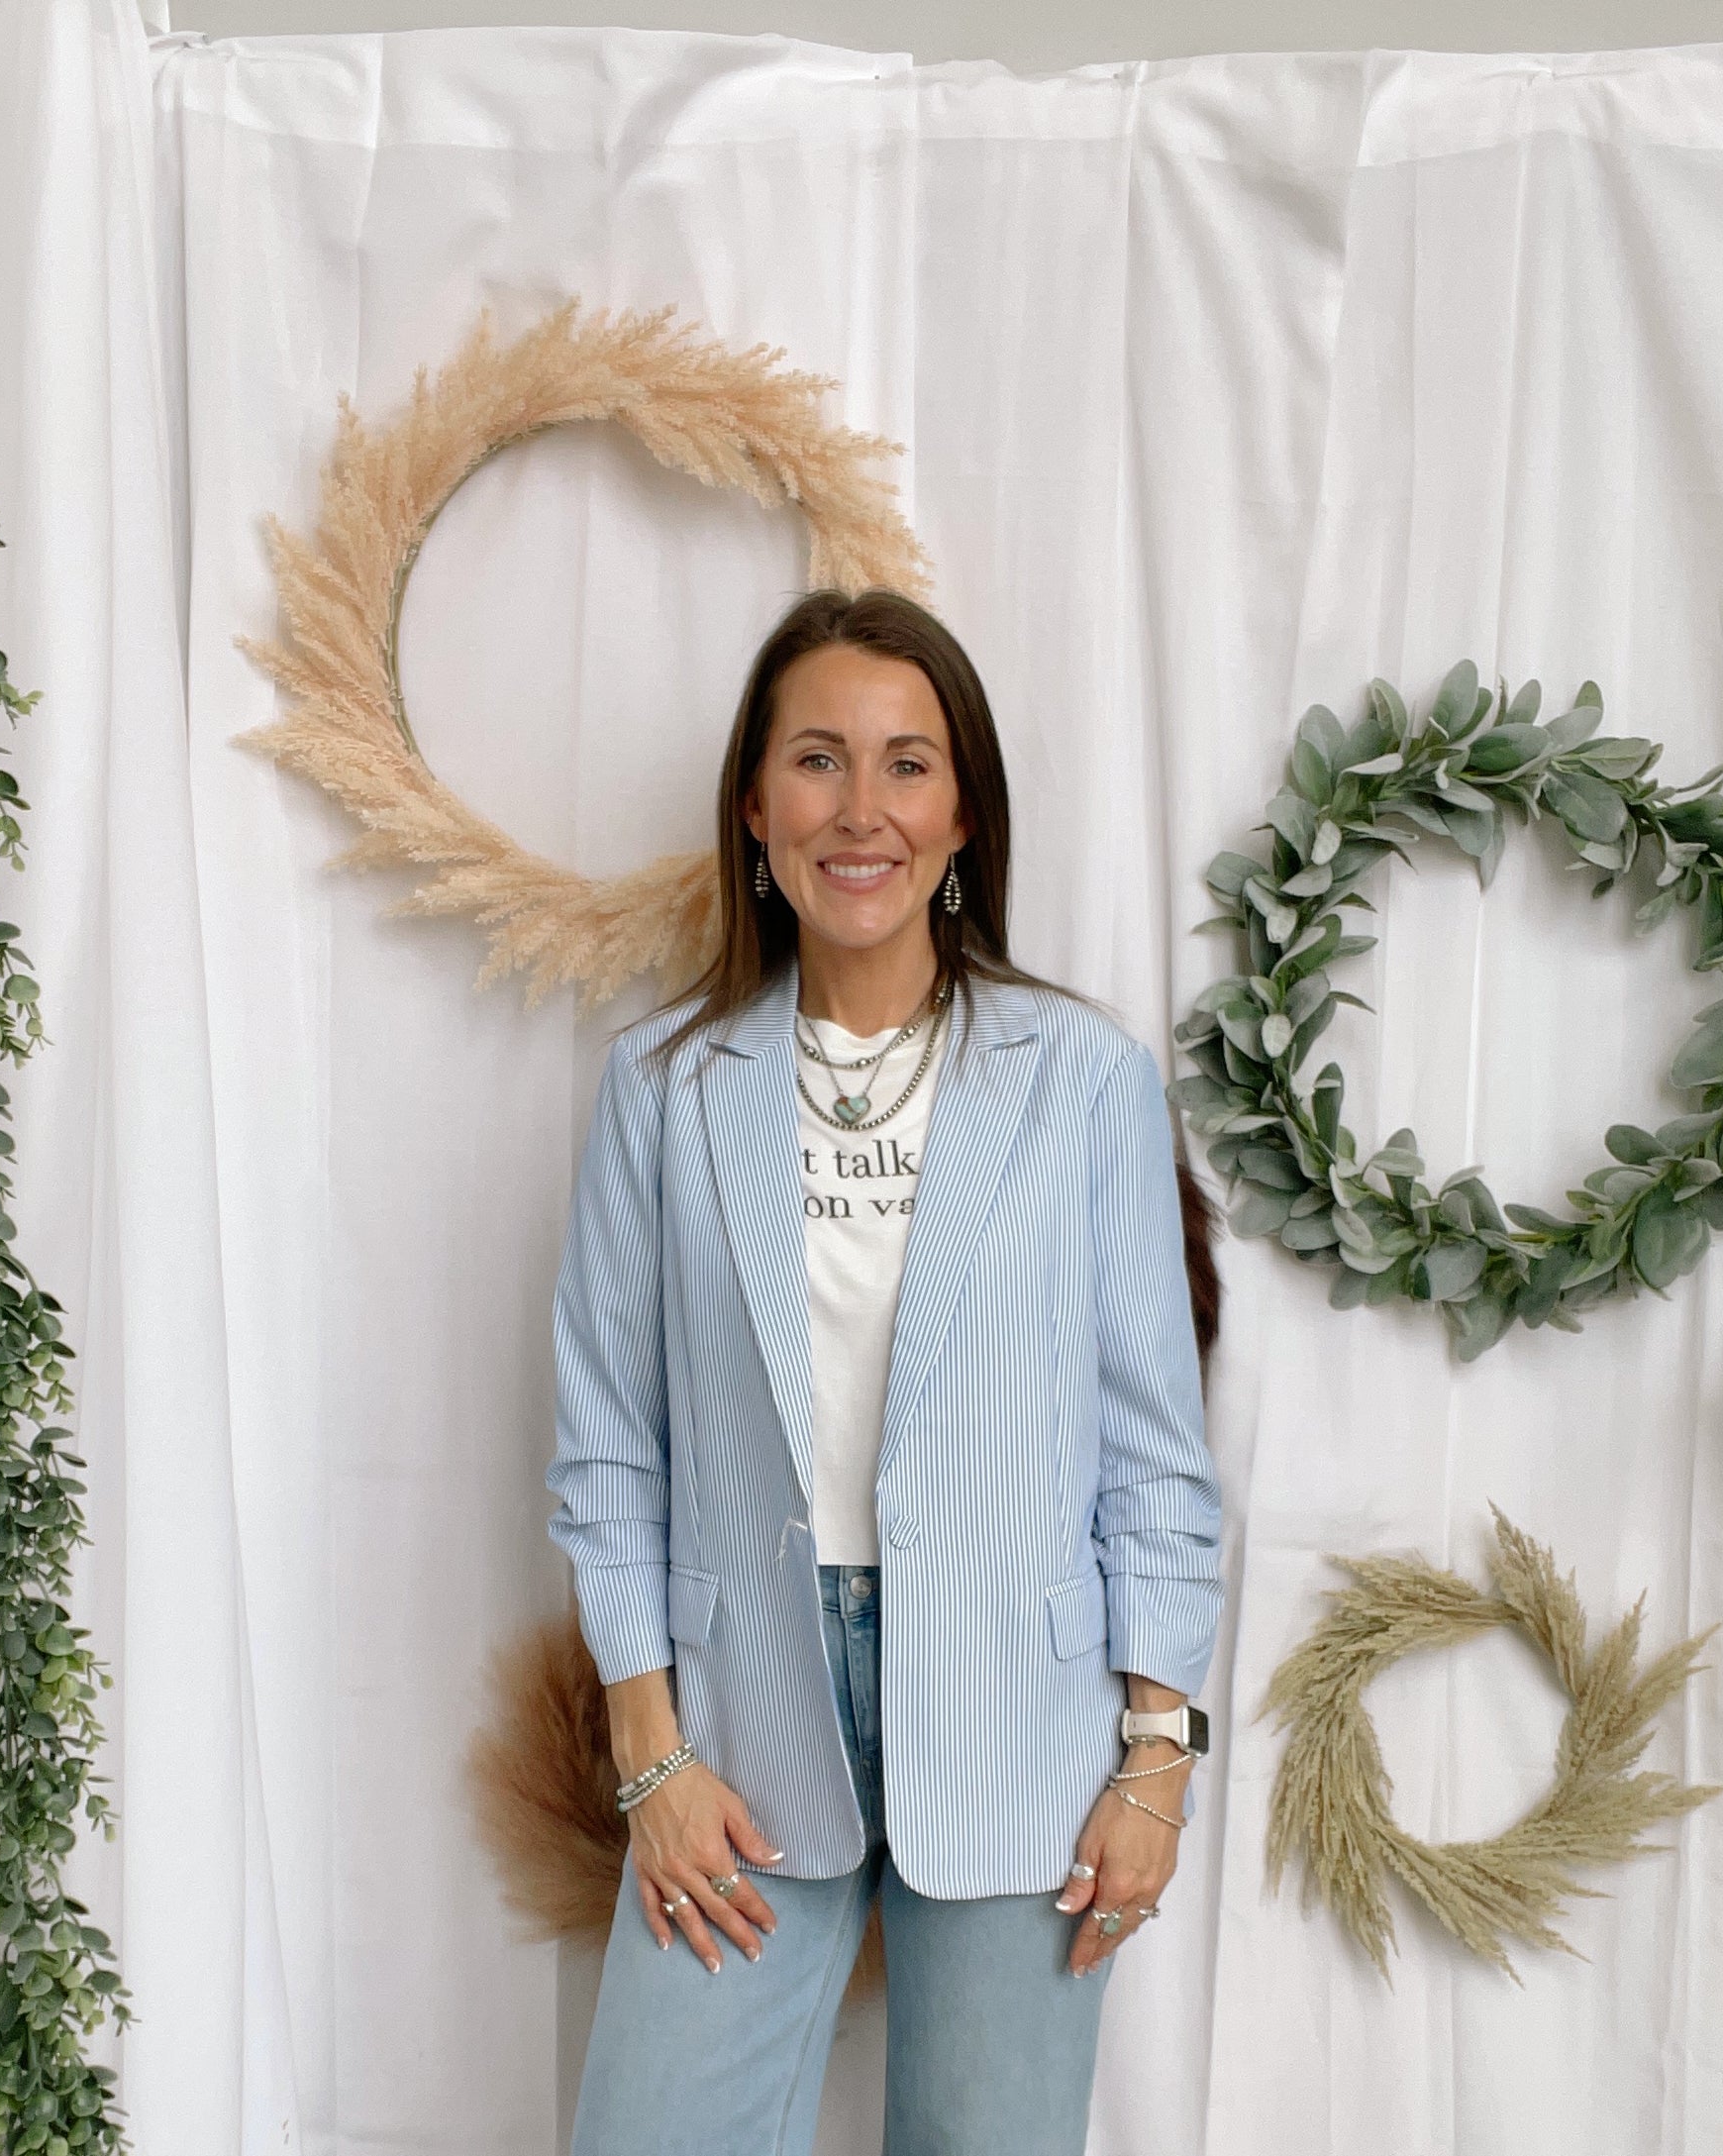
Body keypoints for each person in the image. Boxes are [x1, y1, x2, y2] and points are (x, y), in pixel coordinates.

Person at [547, 587, 1224, 2155]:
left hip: (1026, 1731)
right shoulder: (661, 1091)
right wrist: (652, 1755)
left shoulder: (1085, 1081)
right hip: (741, 1720)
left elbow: (1154, 1454)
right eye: (820, 761)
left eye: (910, 765)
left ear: (966, 810)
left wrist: (1157, 1764)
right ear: (755, 805)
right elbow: (608, 1450)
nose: (864, 810)